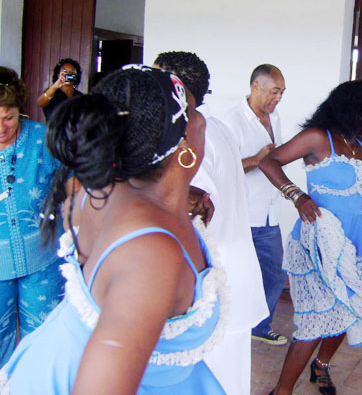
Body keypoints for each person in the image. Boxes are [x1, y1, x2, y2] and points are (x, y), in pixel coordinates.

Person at [0, 65, 228, 394]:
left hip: (52, 360)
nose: (201, 117)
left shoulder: (96, 194)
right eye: (192, 109)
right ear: (185, 147)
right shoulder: (148, 253)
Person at [259, 80, 362, 395]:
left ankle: (322, 365)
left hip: (355, 238)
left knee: (347, 308)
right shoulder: (317, 138)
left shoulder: (361, 145)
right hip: (319, 238)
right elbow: (268, 162)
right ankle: (281, 391)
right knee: (316, 319)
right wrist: (297, 195)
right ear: (350, 109)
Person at [154, 51, 268, 395]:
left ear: (178, 91)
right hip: (231, 273)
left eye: (157, 81)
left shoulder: (191, 137)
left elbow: (195, 208)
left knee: (216, 381)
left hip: (215, 283)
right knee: (228, 378)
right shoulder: (212, 124)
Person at [0, 66, 65, 367]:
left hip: (42, 260)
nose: (2, 128)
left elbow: (78, 181)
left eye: (8, 117)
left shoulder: (43, 139)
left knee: (43, 340)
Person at [222, 64, 287, 346]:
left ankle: (260, 326)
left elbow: (274, 159)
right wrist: (258, 159)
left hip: (270, 214)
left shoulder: (275, 118)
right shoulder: (231, 121)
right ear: (255, 87)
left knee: (274, 274)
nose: (278, 99)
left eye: (282, 93)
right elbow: (224, 170)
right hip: (244, 215)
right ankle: (231, 328)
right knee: (239, 276)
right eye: (274, 92)